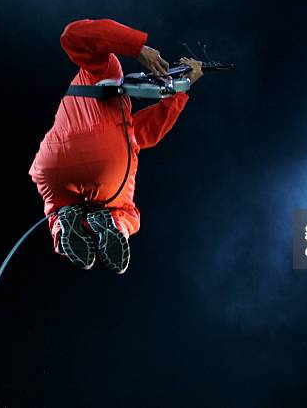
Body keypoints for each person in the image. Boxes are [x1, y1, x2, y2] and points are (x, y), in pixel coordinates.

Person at [29, 18, 203, 274]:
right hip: (106, 163)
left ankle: (61, 223)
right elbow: (72, 35)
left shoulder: (95, 86)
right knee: (125, 212)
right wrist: (138, 48)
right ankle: (113, 223)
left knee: (58, 208)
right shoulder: (108, 66)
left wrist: (179, 86)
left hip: (52, 166)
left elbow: (145, 132)